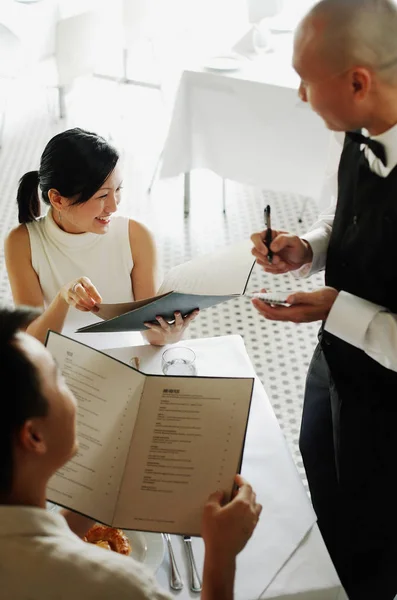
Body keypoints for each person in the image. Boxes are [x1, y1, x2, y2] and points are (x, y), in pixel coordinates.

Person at [250, 1, 397, 598]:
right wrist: (306, 247)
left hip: (391, 406)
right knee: (324, 483)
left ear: (357, 81)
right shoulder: (364, 128)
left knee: (375, 541)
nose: (301, 96)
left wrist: (340, 309)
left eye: (306, 81)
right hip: (334, 361)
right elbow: (348, 209)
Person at [0, 304, 262, 600]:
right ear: (34, 436)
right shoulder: (112, 583)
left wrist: (103, 492)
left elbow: (33, 549)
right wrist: (220, 555)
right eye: (60, 379)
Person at [4, 128, 198, 346]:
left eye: (117, 190)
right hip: (61, 367)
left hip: (126, 362)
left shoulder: (136, 237)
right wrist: (63, 298)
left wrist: (171, 333)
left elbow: (152, 334)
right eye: (103, 195)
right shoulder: (23, 243)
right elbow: (33, 344)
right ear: (58, 199)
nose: (114, 206)